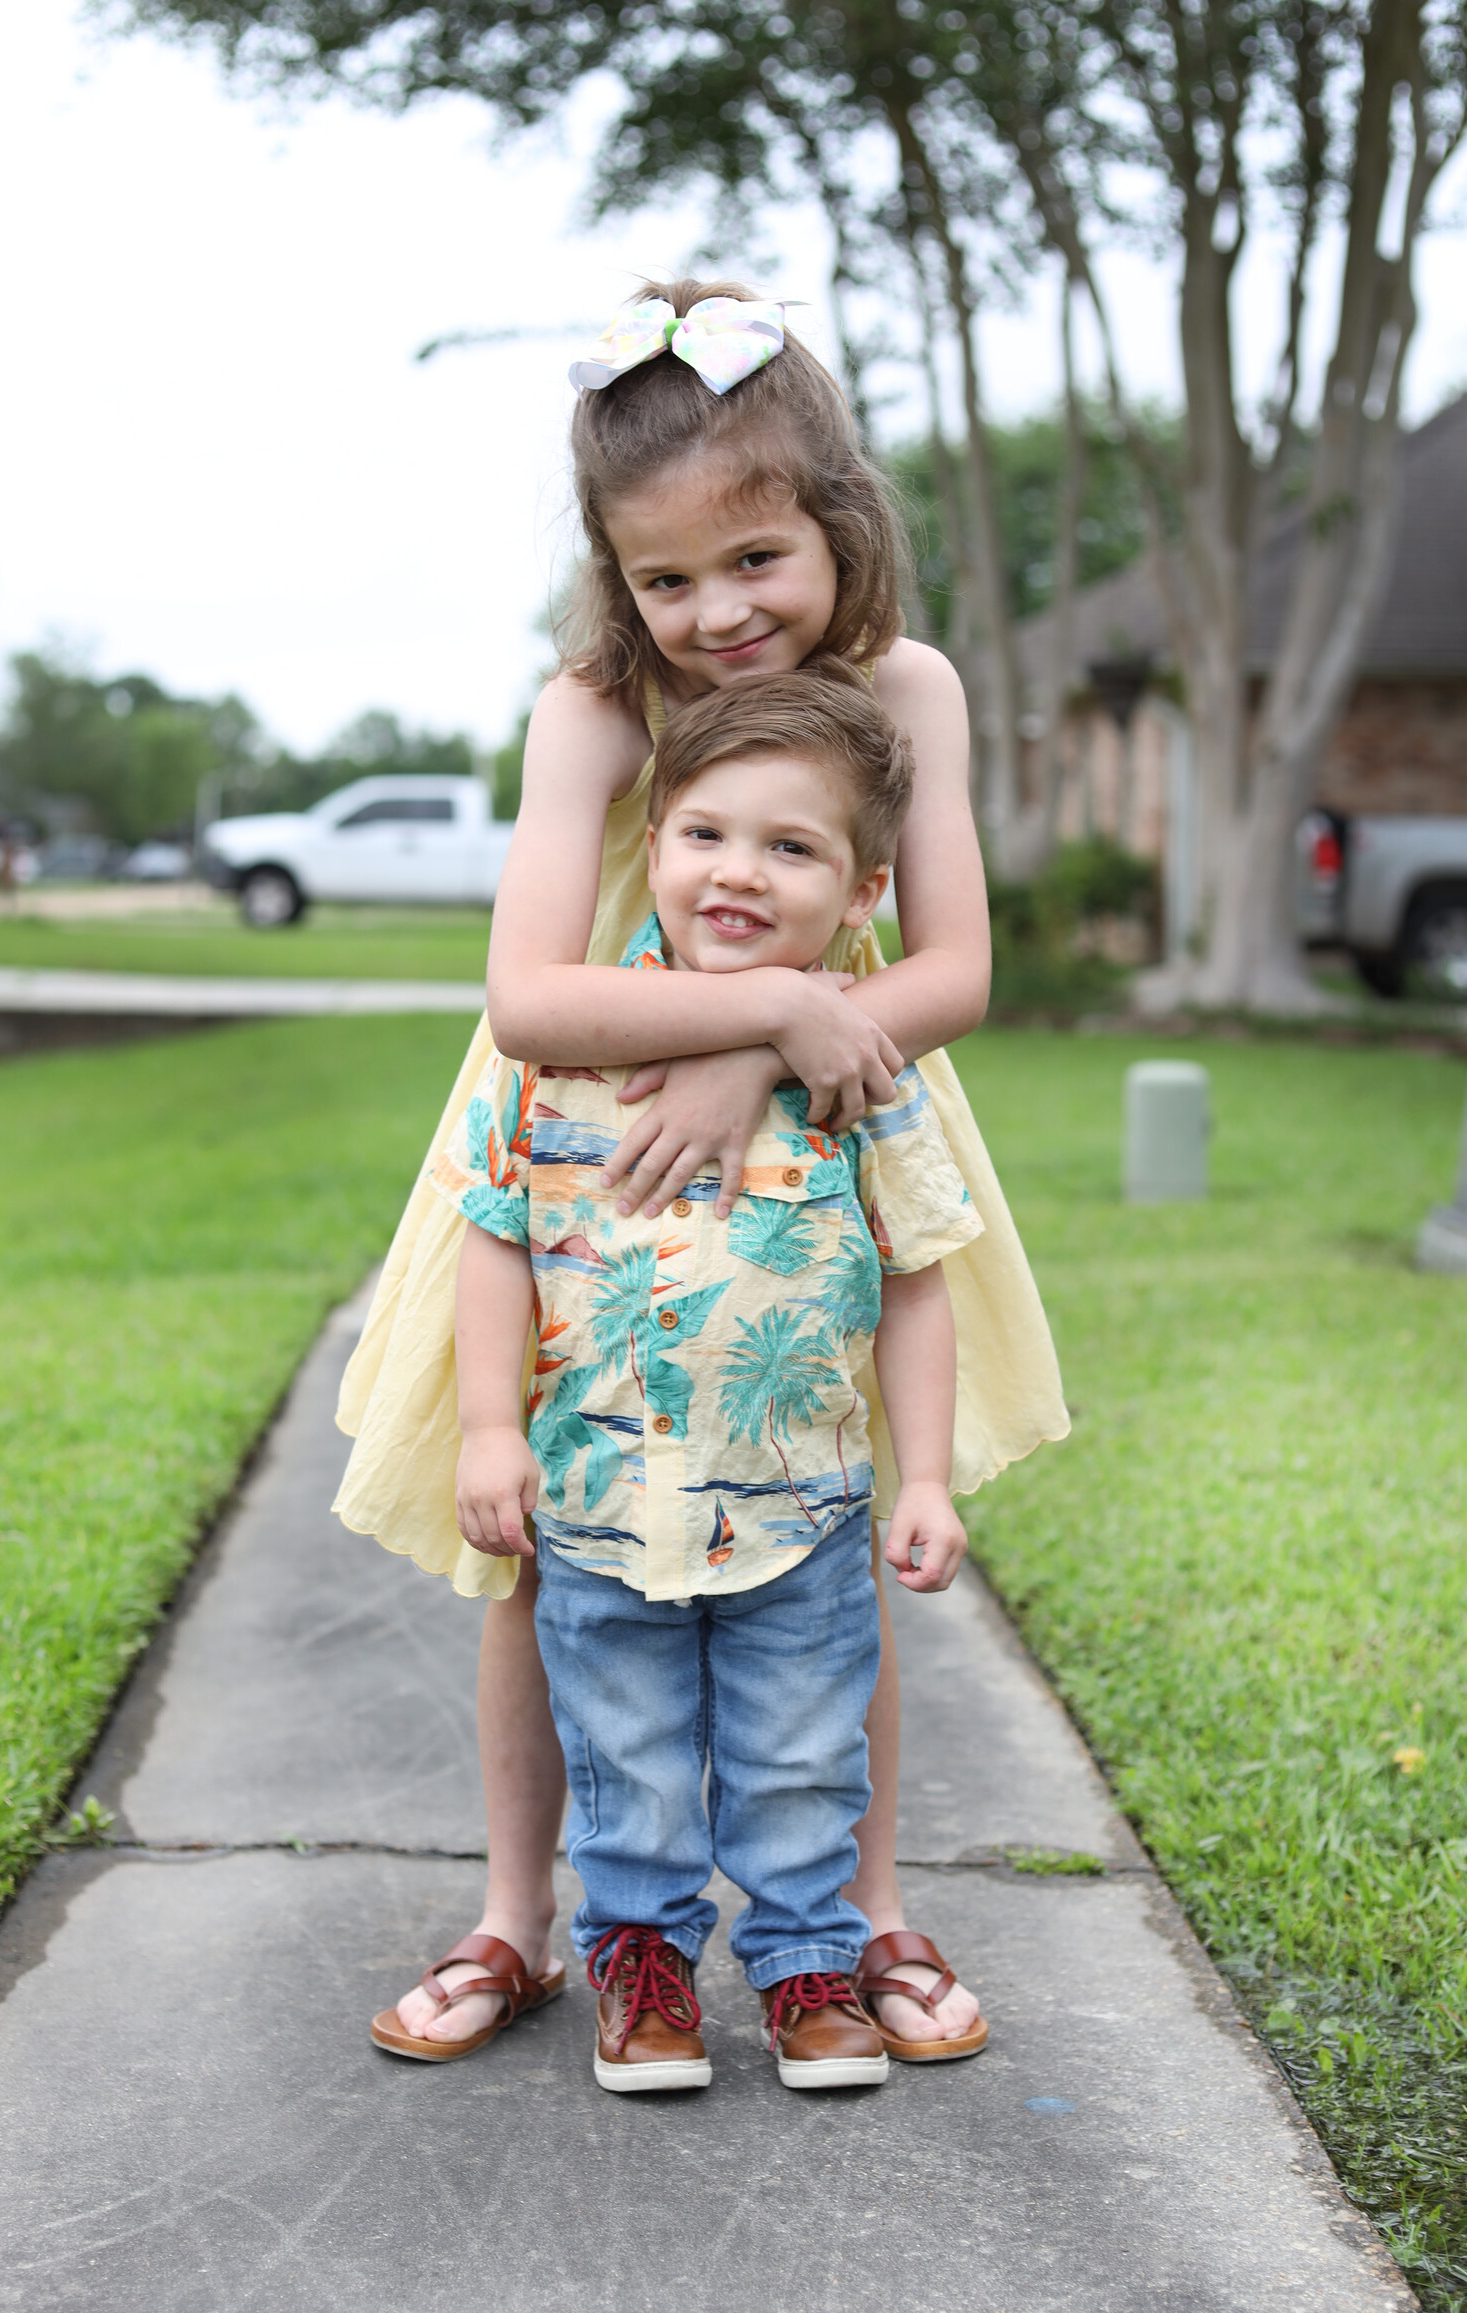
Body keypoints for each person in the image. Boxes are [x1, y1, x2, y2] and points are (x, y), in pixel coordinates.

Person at [343, 280, 1068, 2064]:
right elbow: (528, 991)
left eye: (755, 560)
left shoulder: (908, 686)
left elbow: (959, 966)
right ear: (615, 577)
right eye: (667, 580)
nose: (717, 613)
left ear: (838, 520)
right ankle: (526, 1915)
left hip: (841, 1096)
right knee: (535, 1529)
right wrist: (750, 1016)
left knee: (818, 1513)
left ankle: (862, 1909)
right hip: (584, 1121)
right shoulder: (597, 706)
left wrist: (760, 1044)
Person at [375, 669, 983, 2088]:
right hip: (598, 1494)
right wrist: (483, 1431)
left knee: (799, 1751)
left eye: (792, 848)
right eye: (705, 834)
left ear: (861, 889)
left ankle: (807, 1964)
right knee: (628, 1757)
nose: (738, 873)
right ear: (652, 847)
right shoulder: (566, 1058)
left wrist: (934, 1471)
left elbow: (919, 1271)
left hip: (803, 1506)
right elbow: (497, 1236)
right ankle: (638, 1971)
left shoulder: (859, 1070)